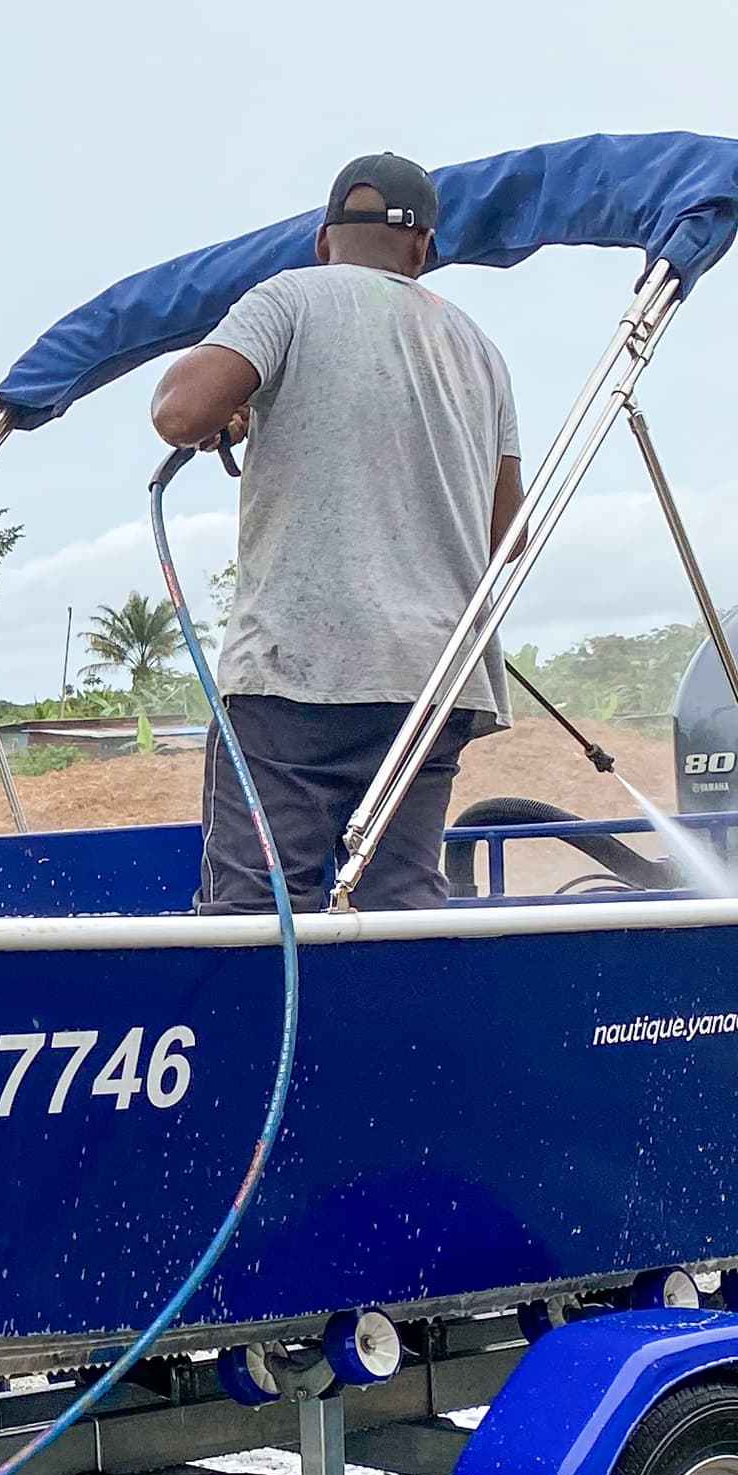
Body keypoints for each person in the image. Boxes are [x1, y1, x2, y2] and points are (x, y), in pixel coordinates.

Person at [147, 152, 521, 913]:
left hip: (297, 669)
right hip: (432, 679)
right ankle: (398, 1032)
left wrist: (231, 410)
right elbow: (507, 540)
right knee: (398, 906)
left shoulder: (289, 298)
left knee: (257, 910)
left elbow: (180, 413)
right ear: (422, 250)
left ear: (323, 240)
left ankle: (265, 1033)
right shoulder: (481, 350)